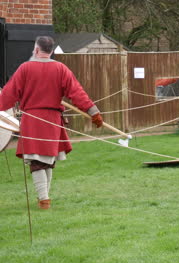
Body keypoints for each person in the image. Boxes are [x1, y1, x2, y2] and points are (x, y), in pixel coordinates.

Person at [0, 36, 103, 210]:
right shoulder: (61, 68)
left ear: (36, 49)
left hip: (34, 120)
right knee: (45, 160)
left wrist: (93, 112)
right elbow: (77, 92)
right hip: (52, 121)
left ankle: (44, 200)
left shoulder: (25, 68)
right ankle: (45, 198)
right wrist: (93, 111)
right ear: (52, 51)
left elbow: (9, 94)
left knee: (39, 161)